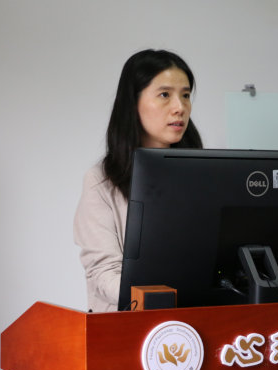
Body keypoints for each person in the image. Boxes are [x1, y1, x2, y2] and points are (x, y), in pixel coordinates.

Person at [74, 50, 203, 312]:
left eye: (185, 95)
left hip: (197, 317)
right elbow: (103, 273)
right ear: (133, 103)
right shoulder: (101, 181)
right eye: (165, 95)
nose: (180, 107)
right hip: (131, 322)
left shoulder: (204, 175)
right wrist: (160, 299)